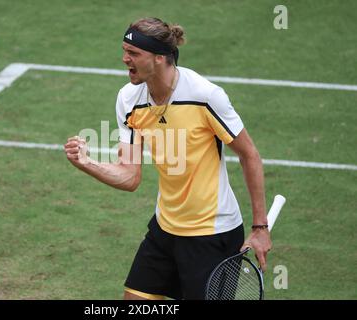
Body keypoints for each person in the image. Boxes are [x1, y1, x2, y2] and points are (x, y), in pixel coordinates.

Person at [64, 17, 271, 300]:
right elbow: (129, 176)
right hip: (165, 228)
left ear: (160, 58)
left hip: (211, 233)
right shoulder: (129, 99)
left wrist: (260, 227)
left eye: (134, 53)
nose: (125, 59)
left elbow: (250, 156)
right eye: (124, 50)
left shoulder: (204, 96)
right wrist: (87, 163)